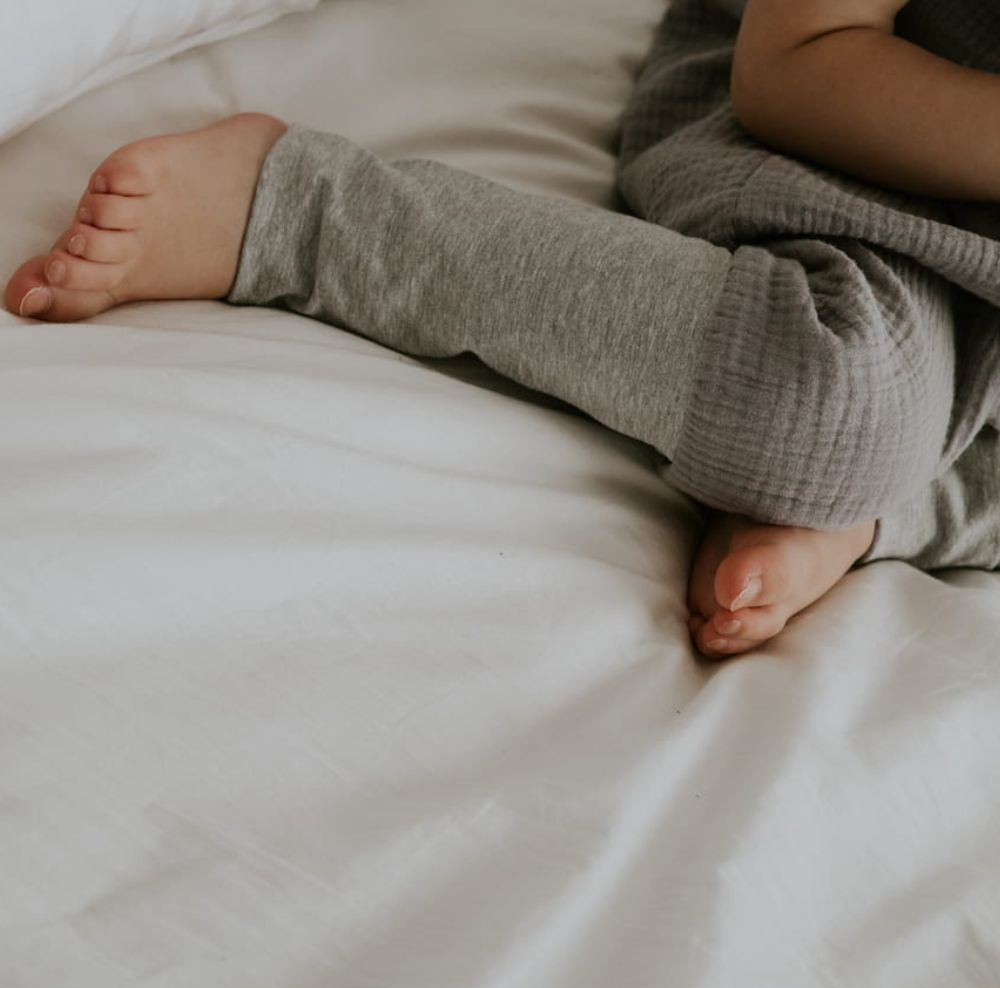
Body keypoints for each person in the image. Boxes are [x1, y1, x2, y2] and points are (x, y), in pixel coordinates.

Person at [4, 0, 998, 659]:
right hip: (841, 139)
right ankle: (297, 212)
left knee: (862, 440)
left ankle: (878, 511)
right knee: (823, 397)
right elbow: (793, 66)